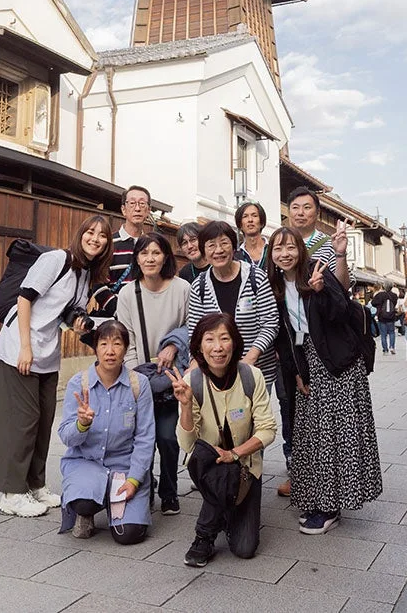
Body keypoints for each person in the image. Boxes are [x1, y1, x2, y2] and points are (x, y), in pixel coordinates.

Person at [0, 216, 111, 517]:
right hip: (21, 347)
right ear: (80, 234)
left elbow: (65, 313)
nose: (95, 238)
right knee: (23, 420)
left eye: (102, 236)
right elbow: (24, 298)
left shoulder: (85, 274)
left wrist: (79, 320)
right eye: (90, 232)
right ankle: (12, 492)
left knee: (44, 419)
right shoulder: (56, 259)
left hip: (47, 352)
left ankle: (34, 486)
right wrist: (25, 348)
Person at [267, 227, 382, 534]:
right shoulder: (277, 285)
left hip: (338, 362)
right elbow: (287, 337)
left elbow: (342, 312)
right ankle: (319, 498)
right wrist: (297, 372)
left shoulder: (317, 271)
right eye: (278, 249)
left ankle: (330, 506)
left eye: (290, 247)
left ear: (300, 250)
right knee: (311, 434)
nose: (285, 254)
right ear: (272, 255)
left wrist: (320, 292)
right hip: (310, 364)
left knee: (335, 434)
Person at [167, 313, 276, 566]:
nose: (218, 347)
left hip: (245, 465)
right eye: (210, 339)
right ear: (199, 346)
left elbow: (268, 430)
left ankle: (227, 512)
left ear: (235, 343)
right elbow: (186, 444)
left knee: (245, 548)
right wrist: (185, 406)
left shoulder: (251, 376)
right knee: (220, 479)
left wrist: (234, 454)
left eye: (224, 339)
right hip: (209, 466)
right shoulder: (191, 381)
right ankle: (204, 536)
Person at [184, 221, 281, 481]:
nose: (218, 250)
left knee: (249, 423)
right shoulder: (200, 285)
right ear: (204, 251)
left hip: (255, 369)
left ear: (233, 245)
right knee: (217, 421)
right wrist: (196, 361)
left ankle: (249, 476)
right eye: (211, 245)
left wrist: (251, 356)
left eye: (224, 243)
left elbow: (271, 321)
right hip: (214, 368)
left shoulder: (256, 277)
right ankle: (218, 474)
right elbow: (194, 330)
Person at [56, 321, 155, 544]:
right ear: (95, 348)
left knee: (129, 535)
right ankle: (85, 510)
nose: (110, 351)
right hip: (86, 462)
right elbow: (66, 437)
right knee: (84, 501)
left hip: (124, 466)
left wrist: (135, 479)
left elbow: (145, 438)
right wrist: (81, 424)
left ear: (126, 348)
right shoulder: (78, 383)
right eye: (103, 344)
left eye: (117, 344)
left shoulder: (139, 384)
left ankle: (127, 500)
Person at [115, 233, 191, 515]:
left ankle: (169, 492)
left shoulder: (182, 289)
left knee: (168, 438)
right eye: (144, 253)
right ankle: (144, 486)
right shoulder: (127, 293)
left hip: (173, 377)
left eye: (156, 253)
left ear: (166, 257)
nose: (150, 258)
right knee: (141, 437)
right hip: (139, 377)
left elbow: (191, 327)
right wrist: (137, 379)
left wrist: (173, 345)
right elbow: (127, 338)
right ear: (136, 257)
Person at [90, 185, 152, 317]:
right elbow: (97, 283)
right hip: (116, 320)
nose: (137, 208)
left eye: (142, 203)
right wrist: (119, 311)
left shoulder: (152, 246)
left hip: (147, 317)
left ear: (148, 210)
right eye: (132, 203)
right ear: (123, 209)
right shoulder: (109, 243)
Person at [285, 187, 350, 288]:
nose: (300, 213)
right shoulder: (279, 244)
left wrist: (340, 254)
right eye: (295, 207)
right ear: (289, 211)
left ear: (317, 213)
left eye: (307, 207)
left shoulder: (330, 245)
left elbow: (343, 287)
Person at [234, 201, 269, 271]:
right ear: (240, 225)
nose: (250, 220)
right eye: (245, 216)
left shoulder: (273, 250)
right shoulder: (235, 256)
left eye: (254, 215)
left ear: (262, 222)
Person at [371, 282, 400, 356]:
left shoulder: (380, 295)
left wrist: (379, 306)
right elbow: (395, 303)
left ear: (383, 287)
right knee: (391, 332)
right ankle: (392, 347)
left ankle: (385, 350)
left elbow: (373, 303)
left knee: (383, 334)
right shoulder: (394, 295)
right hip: (391, 316)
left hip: (381, 316)